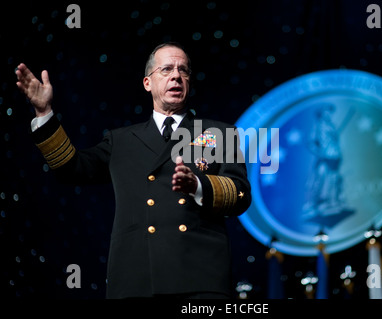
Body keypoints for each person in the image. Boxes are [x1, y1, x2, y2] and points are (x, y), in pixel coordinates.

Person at [15, 42, 251, 299]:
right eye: (166, 69)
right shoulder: (121, 140)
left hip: (199, 278)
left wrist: (198, 185)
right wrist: (44, 113)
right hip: (136, 279)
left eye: (183, 71)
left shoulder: (221, 133)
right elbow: (72, 169)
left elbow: (240, 195)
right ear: (147, 83)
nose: (176, 76)